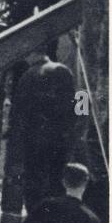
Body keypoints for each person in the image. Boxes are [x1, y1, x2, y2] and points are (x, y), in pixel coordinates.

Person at [13, 51, 78, 211]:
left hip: (34, 140)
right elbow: (81, 95)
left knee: (33, 182)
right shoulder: (65, 70)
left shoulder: (27, 76)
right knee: (57, 180)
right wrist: (79, 120)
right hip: (60, 139)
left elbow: (18, 110)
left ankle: (34, 217)